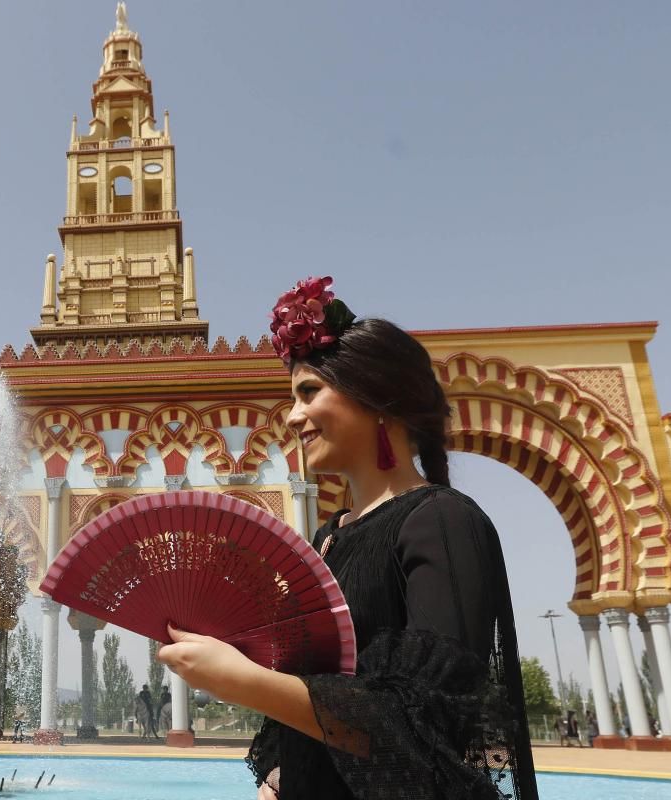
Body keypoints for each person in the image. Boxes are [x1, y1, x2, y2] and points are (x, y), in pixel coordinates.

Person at [157, 277, 538, 799]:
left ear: (377, 396)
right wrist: (279, 778)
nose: (293, 417)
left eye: (309, 392)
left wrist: (242, 682)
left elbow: (423, 732)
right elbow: (316, 708)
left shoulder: (441, 522)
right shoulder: (327, 536)